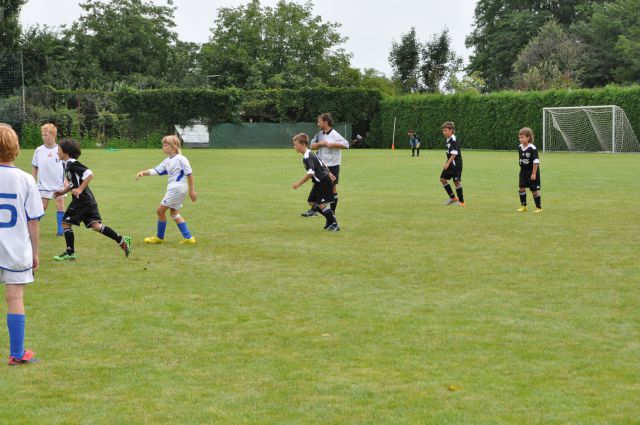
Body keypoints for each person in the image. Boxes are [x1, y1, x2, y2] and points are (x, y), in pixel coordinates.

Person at [0, 124, 44, 365]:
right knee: (15, 298)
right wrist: (35, 253)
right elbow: (33, 221)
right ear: (15, 148)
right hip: (16, 249)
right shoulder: (26, 179)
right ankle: (16, 354)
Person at [52, 138, 131, 261]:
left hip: (82, 200)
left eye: (59, 150)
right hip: (87, 199)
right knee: (95, 226)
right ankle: (121, 239)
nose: (57, 151)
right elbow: (74, 184)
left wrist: (80, 189)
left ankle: (70, 252)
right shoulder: (67, 164)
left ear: (66, 152)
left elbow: (89, 174)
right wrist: (62, 191)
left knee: (65, 223)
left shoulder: (73, 163)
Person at [136, 135, 197, 244]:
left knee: (160, 211)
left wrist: (192, 191)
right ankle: (188, 238)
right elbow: (156, 170)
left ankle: (159, 237)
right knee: (174, 213)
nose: (163, 148)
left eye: (165, 145)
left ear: (173, 146)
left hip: (177, 189)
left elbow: (190, 174)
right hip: (175, 189)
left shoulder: (181, 159)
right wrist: (143, 173)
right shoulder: (168, 160)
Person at [301, 113, 349, 217]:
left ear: (325, 122)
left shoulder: (335, 134)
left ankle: (333, 212)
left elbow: (346, 144)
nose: (318, 124)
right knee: (317, 185)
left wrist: (333, 144)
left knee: (333, 187)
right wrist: (320, 143)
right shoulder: (319, 134)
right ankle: (314, 210)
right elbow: (311, 146)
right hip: (321, 165)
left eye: (319, 121)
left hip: (333, 165)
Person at [292, 133, 340, 231]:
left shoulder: (307, 156)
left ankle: (334, 223)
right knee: (311, 202)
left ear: (304, 144)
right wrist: (329, 172)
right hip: (319, 181)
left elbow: (310, 173)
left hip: (323, 181)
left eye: (296, 145)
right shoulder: (308, 153)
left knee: (321, 204)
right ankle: (329, 219)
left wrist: (299, 183)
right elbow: (321, 162)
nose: (294, 147)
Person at [31, 123, 66, 236]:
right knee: (42, 207)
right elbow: (35, 166)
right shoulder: (39, 150)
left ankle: (61, 230)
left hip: (58, 184)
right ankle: (31, 227)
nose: (43, 137)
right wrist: (32, 181)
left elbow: (66, 166)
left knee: (60, 204)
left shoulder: (60, 149)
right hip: (43, 184)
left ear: (53, 135)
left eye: (46, 135)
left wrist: (66, 181)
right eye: (42, 135)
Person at [516, 127, 542, 213]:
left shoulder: (532, 148)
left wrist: (534, 173)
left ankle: (538, 207)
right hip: (523, 171)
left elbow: (536, 161)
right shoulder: (519, 147)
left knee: (534, 190)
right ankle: (524, 206)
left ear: (528, 137)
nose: (520, 139)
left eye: (522, 137)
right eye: (519, 137)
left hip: (532, 171)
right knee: (521, 188)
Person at [439, 121, 465, 206]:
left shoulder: (453, 139)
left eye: (446, 130)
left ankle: (461, 201)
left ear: (451, 130)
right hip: (450, 162)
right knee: (443, 179)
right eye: (443, 130)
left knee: (456, 182)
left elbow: (454, 153)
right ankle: (453, 197)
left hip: (456, 164)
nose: (444, 132)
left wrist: (447, 163)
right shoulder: (448, 139)